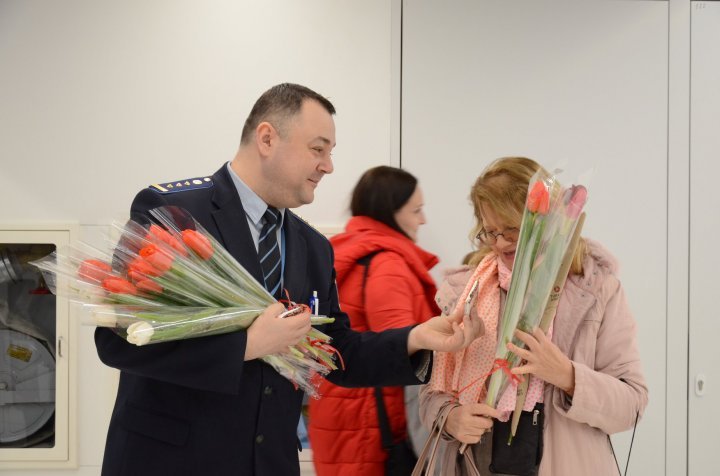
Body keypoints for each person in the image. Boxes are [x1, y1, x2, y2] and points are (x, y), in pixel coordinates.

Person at [94, 83, 481, 476]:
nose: (328, 166)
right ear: (267, 138)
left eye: (331, 153)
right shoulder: (174, 212)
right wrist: (245, 345)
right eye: (318, 149)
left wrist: (416, 338)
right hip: (172, 463)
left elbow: (336, 352)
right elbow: (118, 340)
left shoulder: (313, 247)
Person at [418, 157, 648, 475]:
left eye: (511, 230)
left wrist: (567, 376)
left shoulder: (596, 290)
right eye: (489, 232)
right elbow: (432, 393)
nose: (499, 243)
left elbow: (631, 405)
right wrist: (450, 418)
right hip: (475, 464)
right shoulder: (466, 290)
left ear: (545, 220)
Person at [307, 166, 441, 475]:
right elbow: (395, 351)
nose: (423, 220)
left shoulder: (349, 252)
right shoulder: (388, 264)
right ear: (390, 212)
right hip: (370, 433)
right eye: (417, 210)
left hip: (341, 416)